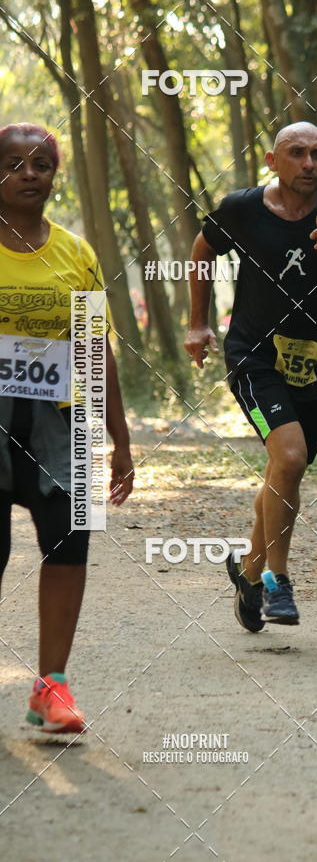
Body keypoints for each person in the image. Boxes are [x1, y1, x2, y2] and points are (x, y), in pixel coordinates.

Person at [184, 122, 317, 630]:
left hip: (316, 361)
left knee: (285, 470)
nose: (308, 163)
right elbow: (203, 251)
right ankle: (277, 579)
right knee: (289, 457)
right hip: (253, 354)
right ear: (273, 161)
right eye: (296, 153)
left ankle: (247, 572)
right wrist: (198, 322)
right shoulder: (241, 208)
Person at [0, 123, 134, 732]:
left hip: (65, 419)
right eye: (14, 163)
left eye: (41, 164)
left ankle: (51, 686)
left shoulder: (76, 253)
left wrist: (120, 438)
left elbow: (95, 347)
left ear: (54, 175)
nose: (29, 173)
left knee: (70, 543)